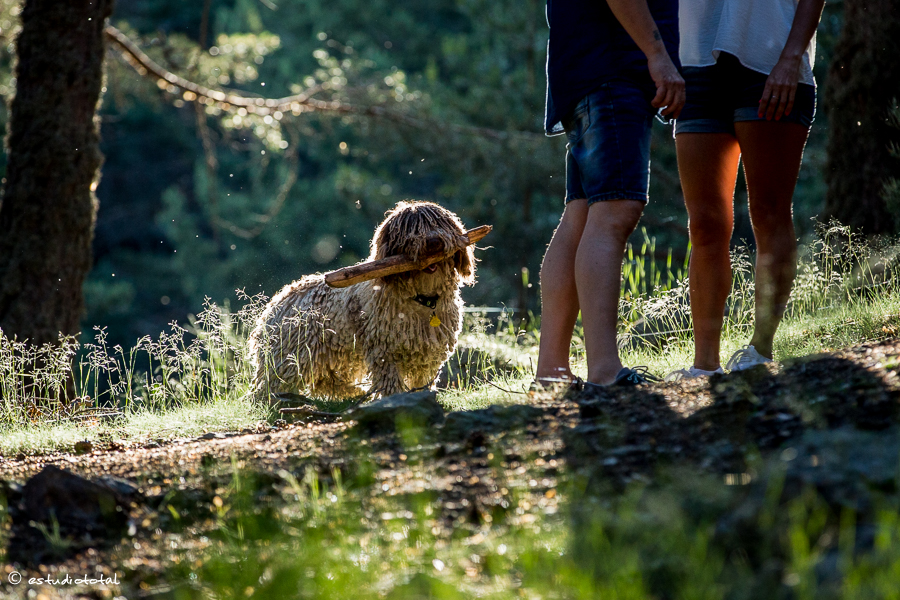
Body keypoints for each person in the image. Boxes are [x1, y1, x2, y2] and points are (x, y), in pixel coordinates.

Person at [666, 0, 826, 380]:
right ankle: (705, 365)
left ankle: (760, 351)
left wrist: (792, 56)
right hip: (696, 66)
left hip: (771, 62)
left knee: (769, 212)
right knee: (704, 224)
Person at [535, 0, 685, 388]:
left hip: (587, 70)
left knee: (582, 213)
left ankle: (551, 372)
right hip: (613, 69)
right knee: (615, 208)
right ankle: (604, 369)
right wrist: (658, 55)